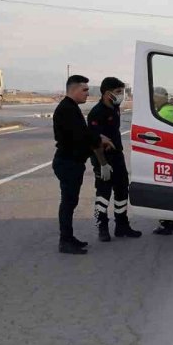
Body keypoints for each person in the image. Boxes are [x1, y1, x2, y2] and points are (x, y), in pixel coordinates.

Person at [53, 75, 114, 254]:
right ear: (73, 90)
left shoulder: (71, 107)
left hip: (72, 162)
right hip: (68, 162)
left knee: (70, 202)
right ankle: (65, 241)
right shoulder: (67, 109)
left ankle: (69, 237)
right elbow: (80, 136)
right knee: (68, 202)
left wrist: (98, 138)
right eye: (85, 90)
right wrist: (99, 139)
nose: (88, 93)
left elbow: (83, 133)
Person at [88, 77, 141, 242]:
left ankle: (122, 225)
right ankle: (102, 227)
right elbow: (94, 141)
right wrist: (103, 164)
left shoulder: (115, 108)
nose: (121, 95)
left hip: (117, 155)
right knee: (103, 194)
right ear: (107, 93)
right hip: (103, 158)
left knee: (122, 190)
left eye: (122, 91)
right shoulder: (97, 112)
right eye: (118, 92)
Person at [152, 86, 173, 236]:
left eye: (154, 98)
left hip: (165, 156)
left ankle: (166, 224)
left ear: (158, 98)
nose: (153, 101)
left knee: (163, 191)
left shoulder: (161, 114)